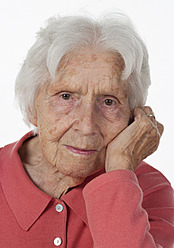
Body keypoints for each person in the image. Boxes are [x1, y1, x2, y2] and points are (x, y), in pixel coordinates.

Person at [0, 12, 174, 248]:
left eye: (109, 102)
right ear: (32, 107)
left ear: (133, 118)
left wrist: (120, 172)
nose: (87, 126)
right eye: (66, 96)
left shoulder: (150, 188)